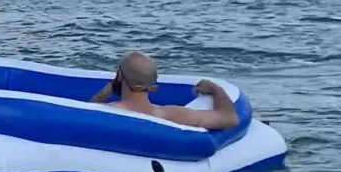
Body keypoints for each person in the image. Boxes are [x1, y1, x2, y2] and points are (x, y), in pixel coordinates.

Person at [91, 52, 240, 129]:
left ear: (120, 75)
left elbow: (85, 119)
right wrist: (215, 89)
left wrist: (99, 98)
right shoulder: (171, 115)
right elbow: (230, 119)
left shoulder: (105, 112)